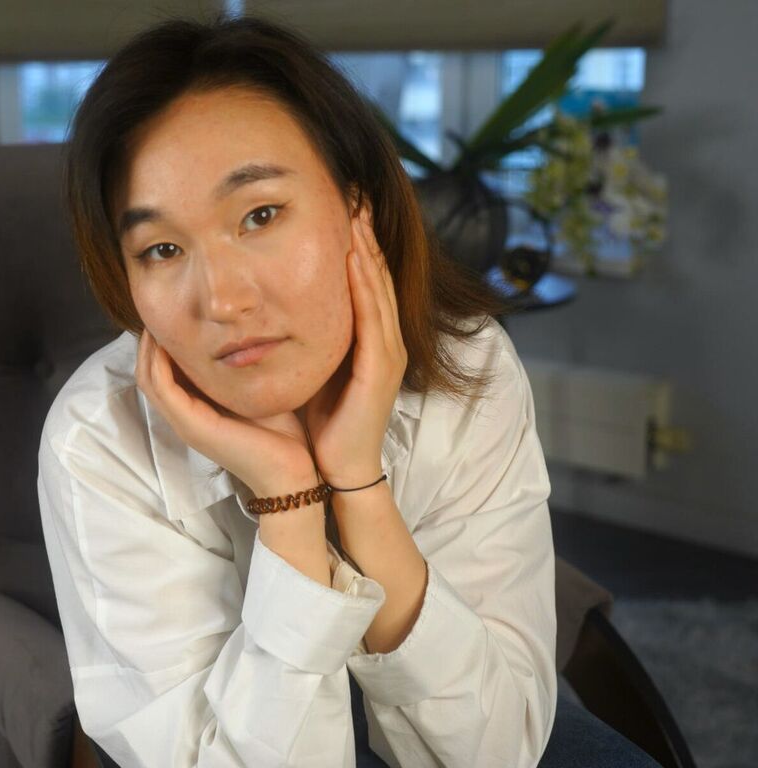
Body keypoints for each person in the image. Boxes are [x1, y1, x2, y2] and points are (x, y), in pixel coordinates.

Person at [37, 12, 662, 768]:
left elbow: (497, 752)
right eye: (162, 249)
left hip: (448, 695)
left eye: (260, 214)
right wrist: (288, 503)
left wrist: (360, 484)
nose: (223, 300)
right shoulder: (96, 439)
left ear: (356, 208)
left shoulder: (470, 365)